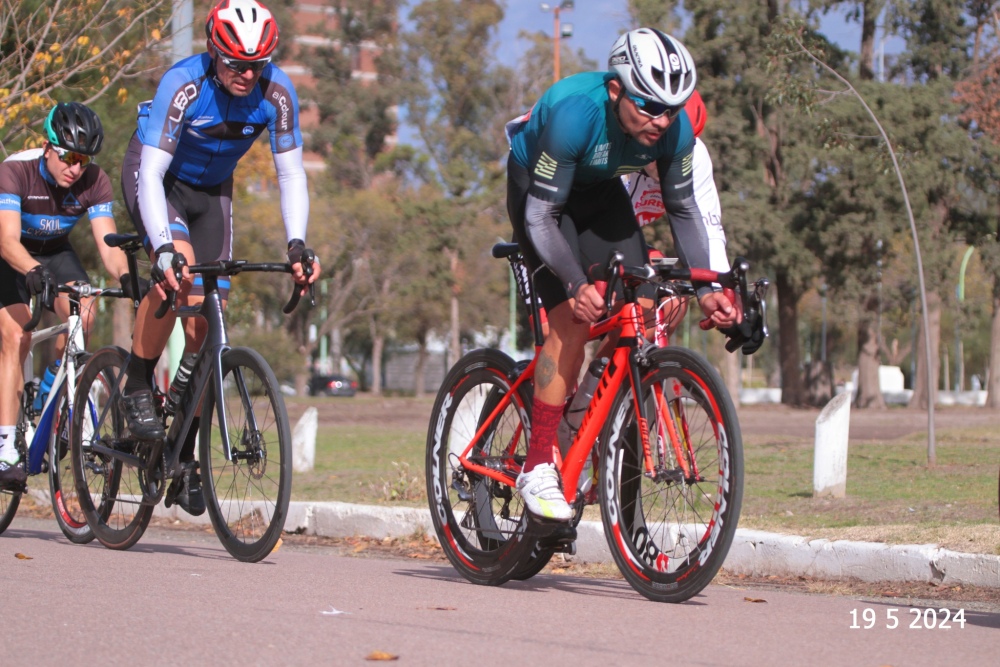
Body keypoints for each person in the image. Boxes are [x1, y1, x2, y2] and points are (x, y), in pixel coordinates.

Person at [504, 28, 738, 521]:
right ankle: (538, 464)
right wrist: (574, 283)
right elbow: (541, 218)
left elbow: (685, 209)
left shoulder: (672, 130)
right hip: (540, 195)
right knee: (572, 319)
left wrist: (710, 285)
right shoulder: (576, 112)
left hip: (598, 189)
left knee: (644, 304)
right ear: (617, 90)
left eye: (671, 108)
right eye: (649, 105)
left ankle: (589, 431)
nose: (661, 119)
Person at [119, 0, 319, 514]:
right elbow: (153, 174)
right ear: (214, 52)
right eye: (235, 64)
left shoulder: (276, 93)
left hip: (213, 193)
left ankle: (183, 447)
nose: (247, 75)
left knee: (209, 326)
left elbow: (292, 174)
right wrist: (163, 247)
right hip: (158, 179)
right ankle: (137, 382)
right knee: (177, 278)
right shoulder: (183, 84)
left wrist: (296, 243)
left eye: (257, 64)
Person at [0, 102, 133, 486]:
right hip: (10, 253)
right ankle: (6, 448)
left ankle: (49, 400)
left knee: (85, 314)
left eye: (84, 159)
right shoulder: (16, 171)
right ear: (47, 147)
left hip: (54, 251)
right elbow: (8, 241)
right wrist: (32, 271)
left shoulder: (95, 181)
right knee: (16, 335)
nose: (76, 168)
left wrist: (128, 278)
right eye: (69, 156)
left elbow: (108, 246)